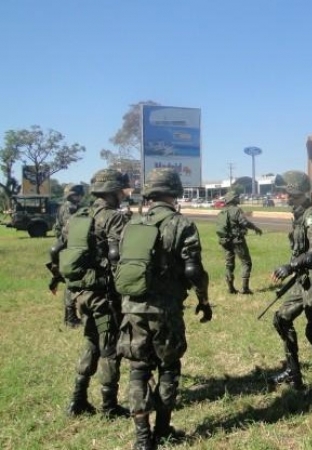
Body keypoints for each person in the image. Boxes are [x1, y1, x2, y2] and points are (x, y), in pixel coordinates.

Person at [116, 168, 212, 450]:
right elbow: (194, 270)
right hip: (165, 310)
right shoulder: (181, 224)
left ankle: (142, 438)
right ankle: (163, 428)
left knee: (138, 369)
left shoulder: (132, 224)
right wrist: (203, 300)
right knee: (169, 366)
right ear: (174, 190)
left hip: (132, 308)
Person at [62, 169, 130, 418]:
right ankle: (109, 406)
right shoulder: (113, 218)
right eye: (121, 190)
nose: (123, 194)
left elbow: (61, 249)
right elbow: (121, 257)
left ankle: (77, 400)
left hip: (81, 293)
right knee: (110, 347)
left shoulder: (78, 217)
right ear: (112, 191)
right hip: (105, 294)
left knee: (91, 340)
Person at [269, 170, 312, 396]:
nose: (285, 197)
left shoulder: (311, 215)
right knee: (281, 319)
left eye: (287, 193)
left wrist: (291, 266)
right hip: (303, 278)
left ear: (295, 191)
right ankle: (293, 372)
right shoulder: (298, 214)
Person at [215, 186, 263, 295]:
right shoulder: (236, 210)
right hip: (237, 241)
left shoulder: (222, 212)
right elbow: (244, 223)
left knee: (229, 264)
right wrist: (255, 228)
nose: (238, 199)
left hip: (225, 241)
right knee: (246, 263)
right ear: (233, 199)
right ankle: (245, 289)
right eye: (237, 197)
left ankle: (230, 288)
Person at [50, 183, 85, 328]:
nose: (80, 197)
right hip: (70, 249)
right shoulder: (70, 208)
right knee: (72, 283)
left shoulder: (64, 207)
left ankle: (70, 317)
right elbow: (71, 229)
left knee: (72, 282)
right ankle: (70, 318)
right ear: (74, 195)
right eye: (79, 195)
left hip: (66, 248)